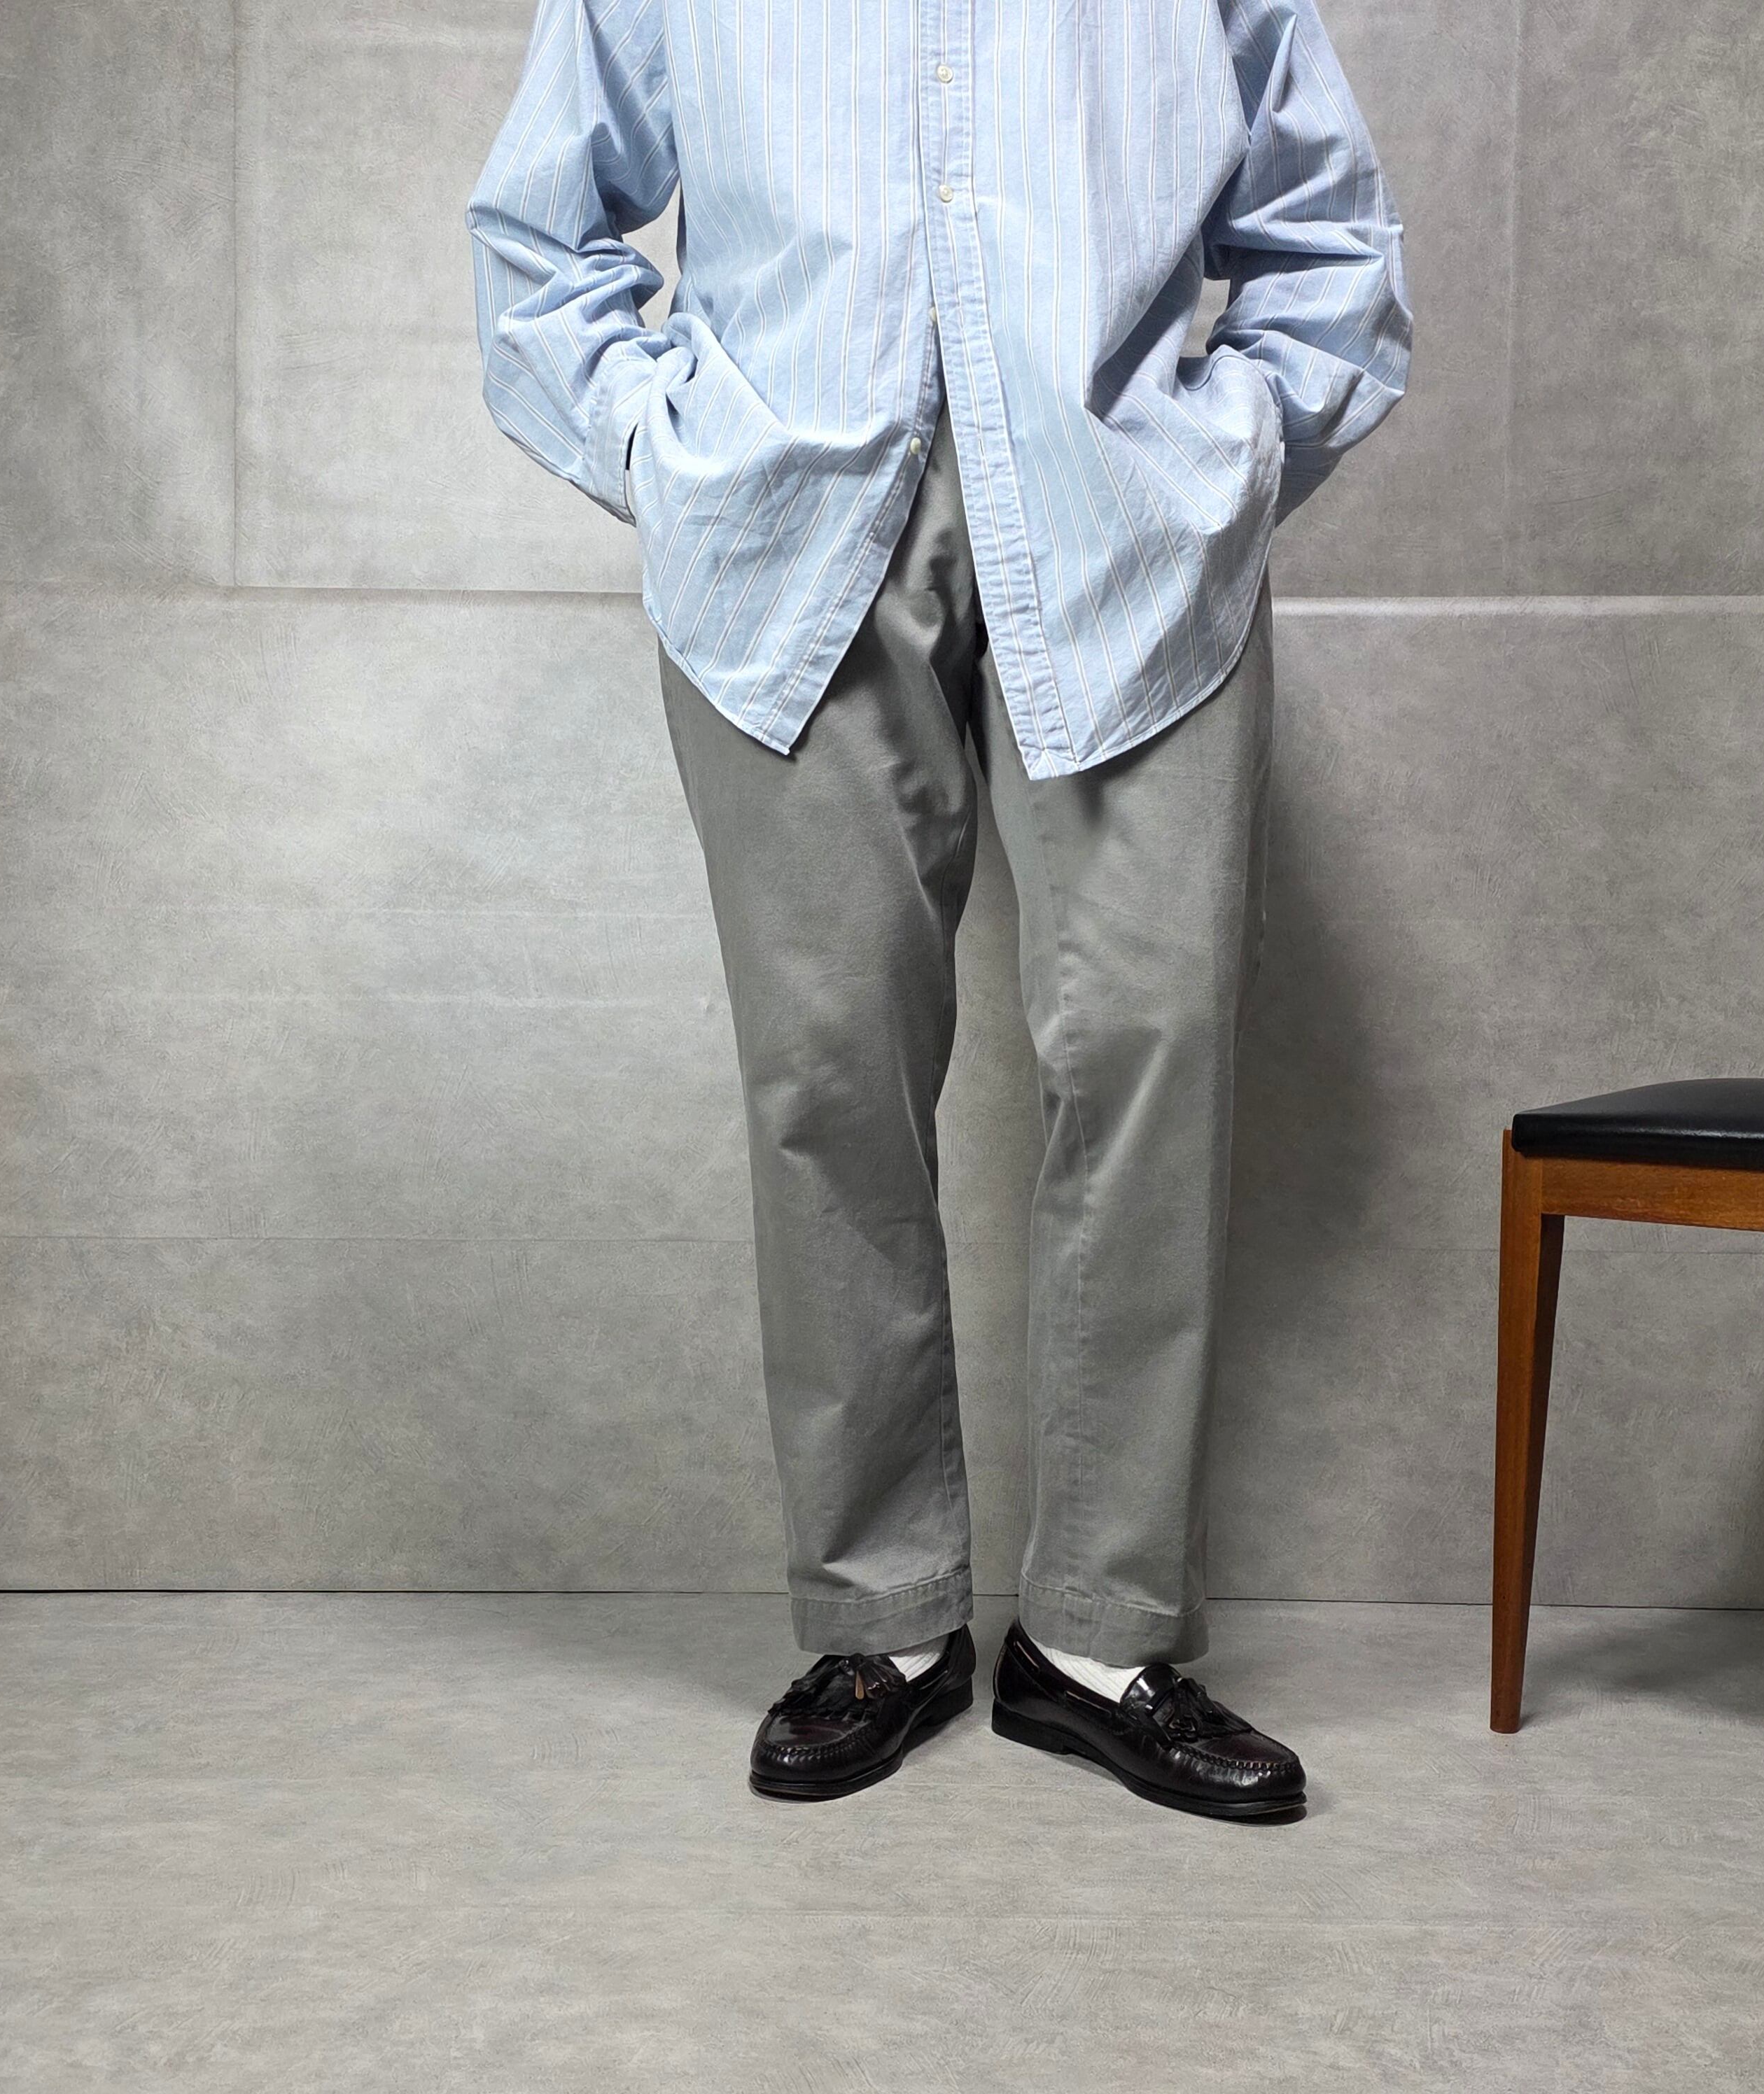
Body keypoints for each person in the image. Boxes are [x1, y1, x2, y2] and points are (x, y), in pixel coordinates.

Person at [467, 0, 1409, 1821]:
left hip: (1130, 526)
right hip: (787, 520)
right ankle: (883, 1624)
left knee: (1153, 1040)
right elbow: (535, 228)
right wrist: (665, 451)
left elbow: (1330, 235)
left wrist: (1227, 456)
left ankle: (1100, 1639)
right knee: (829, 1065)